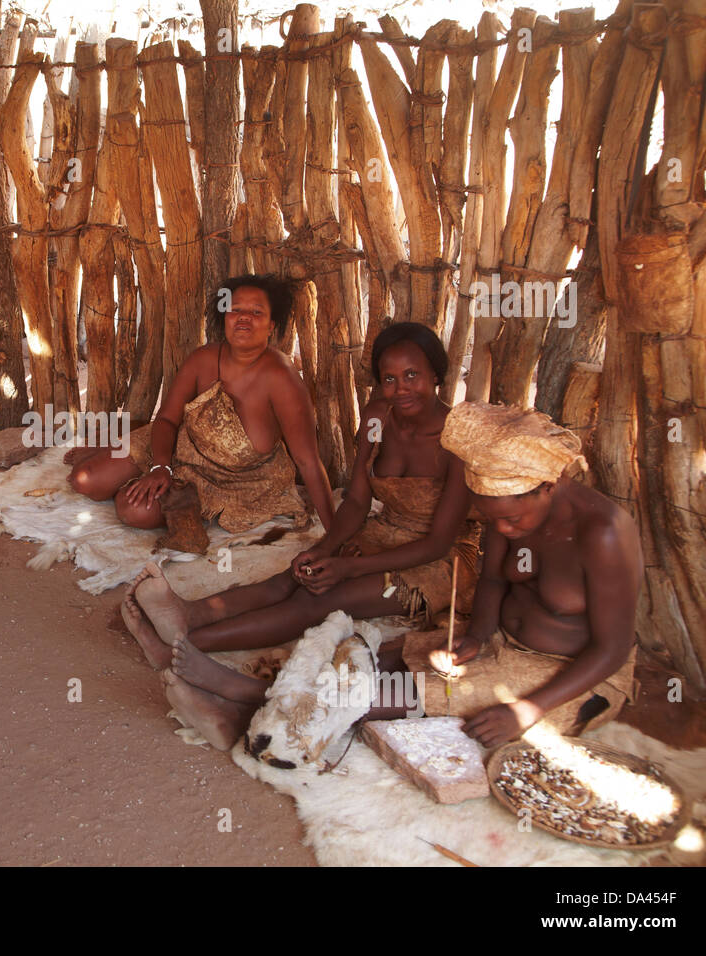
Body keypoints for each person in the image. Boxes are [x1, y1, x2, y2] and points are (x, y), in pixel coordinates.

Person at [124, 324, 478, 744]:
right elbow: (359, 503)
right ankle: (189, 615)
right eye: (389, 378)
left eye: (412, 376)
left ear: (437, 374)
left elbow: (438, 541)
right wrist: (325, 549)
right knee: (296, 576)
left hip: (443, 560)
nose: (400, 388)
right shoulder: (378, 418)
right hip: (386, 532)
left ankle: (184, 649)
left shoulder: (457, 440)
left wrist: (345, 567)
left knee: (325, 597)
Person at [398, 401, 641, 748]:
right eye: (490, 518)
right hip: (500, 643)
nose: (501, 528)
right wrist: (478, 636)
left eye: (511, 520)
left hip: (574, 674)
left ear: (549, 487)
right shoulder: (506, 506)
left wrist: (527, 710)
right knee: (386, 664)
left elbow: (613, 648)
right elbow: (494, 580)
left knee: (389, 697)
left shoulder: (604, 533)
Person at [67, 274, 334, 539]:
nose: (244, 317)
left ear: (272, 325)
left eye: (256, 312)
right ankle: (119, 456)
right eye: (236, 309)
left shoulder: (282, 379)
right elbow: (168, 420)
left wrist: (336, 533)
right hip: (179, 446)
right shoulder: (202, 359)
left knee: (134, 510)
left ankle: (124, 470)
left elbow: (307, 461)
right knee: (84, 479)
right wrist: (161, 467)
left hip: (239, 480)